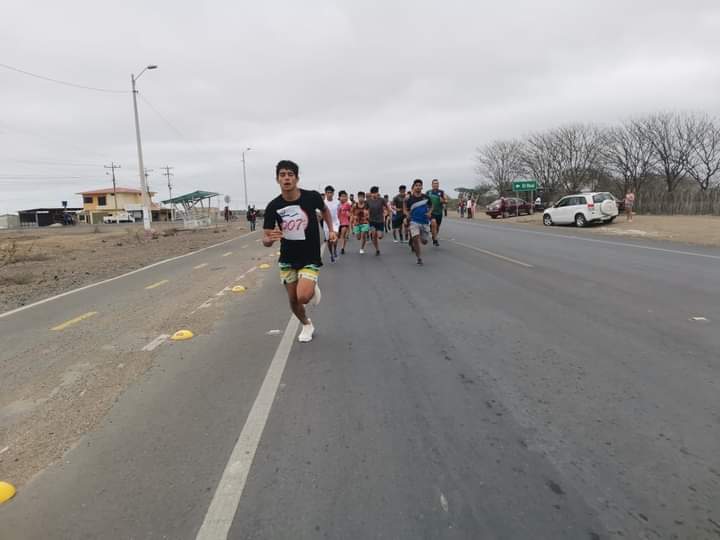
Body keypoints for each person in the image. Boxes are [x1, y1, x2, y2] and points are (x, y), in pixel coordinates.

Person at [263, 160, 336, 343]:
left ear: (296, 178)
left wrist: (331, 229)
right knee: (293, 301)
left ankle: (309, 284)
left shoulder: (311, 197)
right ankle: (306, 324)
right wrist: (269, 240)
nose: (286, 178)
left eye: (290, 174)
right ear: (277, 179)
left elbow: (325, 211)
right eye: (282, 175)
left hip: (310, 255)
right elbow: (266, 238)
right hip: (288, 257)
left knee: (302, 296)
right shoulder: (273, 206)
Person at [404, 179, 432, 266]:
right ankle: (419, 258)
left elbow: (431, 206)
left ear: (422, 187)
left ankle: (419, 236)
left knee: (424, 242)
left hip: (424, 222)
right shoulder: (409, 199)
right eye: (416, 185)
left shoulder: (426, 197)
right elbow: (404, 209)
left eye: (420, 185)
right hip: (414, 221)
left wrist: (429, 212)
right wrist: (407, 214)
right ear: (413, 187)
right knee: (415, 239)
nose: (418, 187)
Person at [426, 178, 447, 247]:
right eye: (434, 183)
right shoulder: (428, 192)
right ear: (432, 185)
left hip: (439, 212)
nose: (436, 185)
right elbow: (425, 201)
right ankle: (435, 240)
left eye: (437, 183)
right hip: (431, 212)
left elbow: (446, 201)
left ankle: (433, 235)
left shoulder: (442, 192)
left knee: (437, 228)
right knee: (433, 223)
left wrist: (443, 201)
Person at [367, 186, 387, 256]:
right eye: (373, 193)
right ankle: (377, 249)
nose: (374, 194)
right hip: (372, 221)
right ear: (371, 193)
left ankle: (380, 234)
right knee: (374, 235)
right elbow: (365, 209)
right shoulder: (368, 201)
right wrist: (366, 214)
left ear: (378, 193)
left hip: (380, 221)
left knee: (380, 236)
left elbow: (387, 207)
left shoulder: (381, 200)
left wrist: (387, 212)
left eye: (376, 192)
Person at [323, 185, 340, 262]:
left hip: (335, 222)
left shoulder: (337, 202)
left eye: (331, 192)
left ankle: (335, 249)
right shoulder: (323, 203)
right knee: (329, 241)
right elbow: (320, 213)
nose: (329, 194)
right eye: (328, 192)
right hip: (326, 224)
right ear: (325, 193)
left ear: (333, 193)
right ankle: (331, 254)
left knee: (334, 238)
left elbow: (339, 212)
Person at [337, 190, 352, 255]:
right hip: (338, 223)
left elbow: (351, 212)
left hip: (345, 222)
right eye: (342, 196)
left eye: (345, 196)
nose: (343, 198)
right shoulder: (337, 204)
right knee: (339, 236)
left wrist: (349, 215)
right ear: (339, 197)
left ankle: (342, 248)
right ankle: (340, 246)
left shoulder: (347, 204)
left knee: (343, 235)